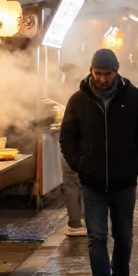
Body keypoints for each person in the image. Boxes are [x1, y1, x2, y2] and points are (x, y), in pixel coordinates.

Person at [59, 49, 138, 276]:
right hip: (93, 183)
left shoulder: (132, 97)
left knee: (123, 237)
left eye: (107, 74)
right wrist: (81, 164)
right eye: (98, 73)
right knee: (96, 238)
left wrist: (136, 165)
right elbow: (67, 138)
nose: (102, 79)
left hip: (124, 183)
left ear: (116, 72)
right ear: (91, 70)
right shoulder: (78, 100)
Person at [56, 62, 87, 236]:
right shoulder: (86, 98)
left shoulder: (72, 96)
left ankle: (75, 223)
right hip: (80, 148)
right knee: (85, 183)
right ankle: (85, 221)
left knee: (71, 183)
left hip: (68, 147)